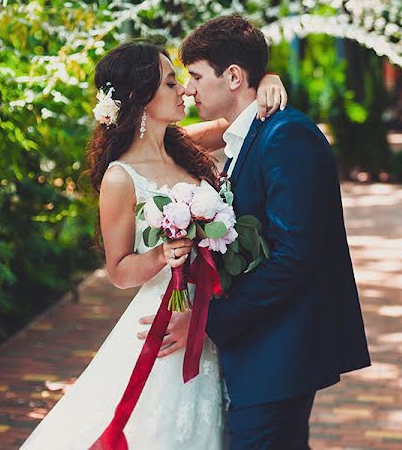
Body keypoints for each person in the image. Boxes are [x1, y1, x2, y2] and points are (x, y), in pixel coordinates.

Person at [21, 41, 287, 449]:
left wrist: (267, 78)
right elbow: (118, 271)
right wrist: (161, 255)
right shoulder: (120, 178)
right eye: (170, 83)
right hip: (165, 318)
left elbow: (243, 112)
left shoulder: (188, 145)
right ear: (141, 98)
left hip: (213, 313)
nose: (184, 90)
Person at [144, 14, 370, 449]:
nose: (188, 88)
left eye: (193, 76)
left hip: (279, 352)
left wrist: (206, 321)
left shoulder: (287, 136)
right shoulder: (248, 136)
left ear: (232, 76)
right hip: (260, 348)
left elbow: (295, 256)